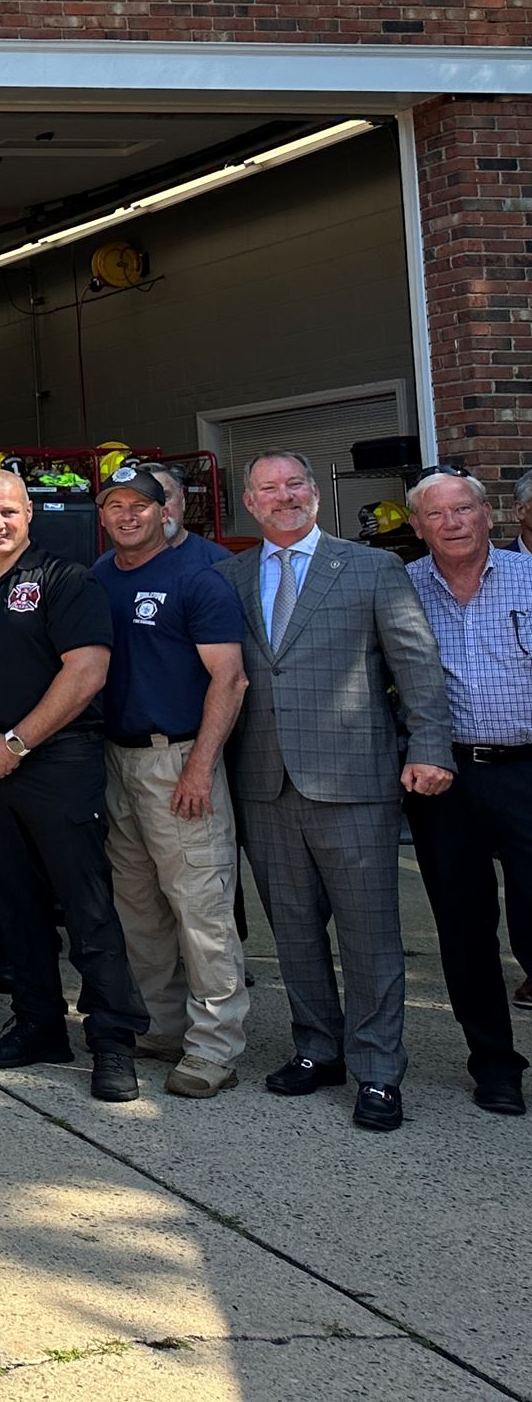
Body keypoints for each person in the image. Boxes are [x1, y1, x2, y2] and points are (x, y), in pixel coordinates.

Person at [219, 450, 452, 1132]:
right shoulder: (227, 576)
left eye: (295, 484)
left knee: (371, 936)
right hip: (264, 783)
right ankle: (318, 1049)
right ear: (251, 504)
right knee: (291, 932)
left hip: (354, 783)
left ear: (314, 495)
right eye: (269, 489)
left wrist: (431, 747)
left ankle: (378, 1070)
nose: (284, 496)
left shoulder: (372, 568)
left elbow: (416, 664)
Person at [0, 470, 146, 1103]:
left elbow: (87, 671)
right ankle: (39, 1026)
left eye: (10, 513)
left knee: (88, 908)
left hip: (56, 762)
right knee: (13, 906)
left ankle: (111, 1041)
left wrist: (16, 743)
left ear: (29, 515)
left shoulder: (67, 578)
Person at [92, 463, 251, 1100]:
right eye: (114, 506)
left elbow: (230, 679)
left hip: (177, 759)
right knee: (138, 907)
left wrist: (199, 766)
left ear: (166, 512)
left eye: (140, 505)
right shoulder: (100, 577)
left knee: (202, 908)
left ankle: (216, 1046)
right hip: (114, 759)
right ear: (101, 517)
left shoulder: (200, 578)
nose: (127, 515)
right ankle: (160, 1024)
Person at [401, 466, 532, 1116]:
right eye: (437, 514)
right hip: (442, 779)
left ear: (489, 517)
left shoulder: (529, 579)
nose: (452, 524)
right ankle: (495, 1065)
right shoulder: (400, 589)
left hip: (527, 772)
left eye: (464, 510)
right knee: (463, 926)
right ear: (418, 527)